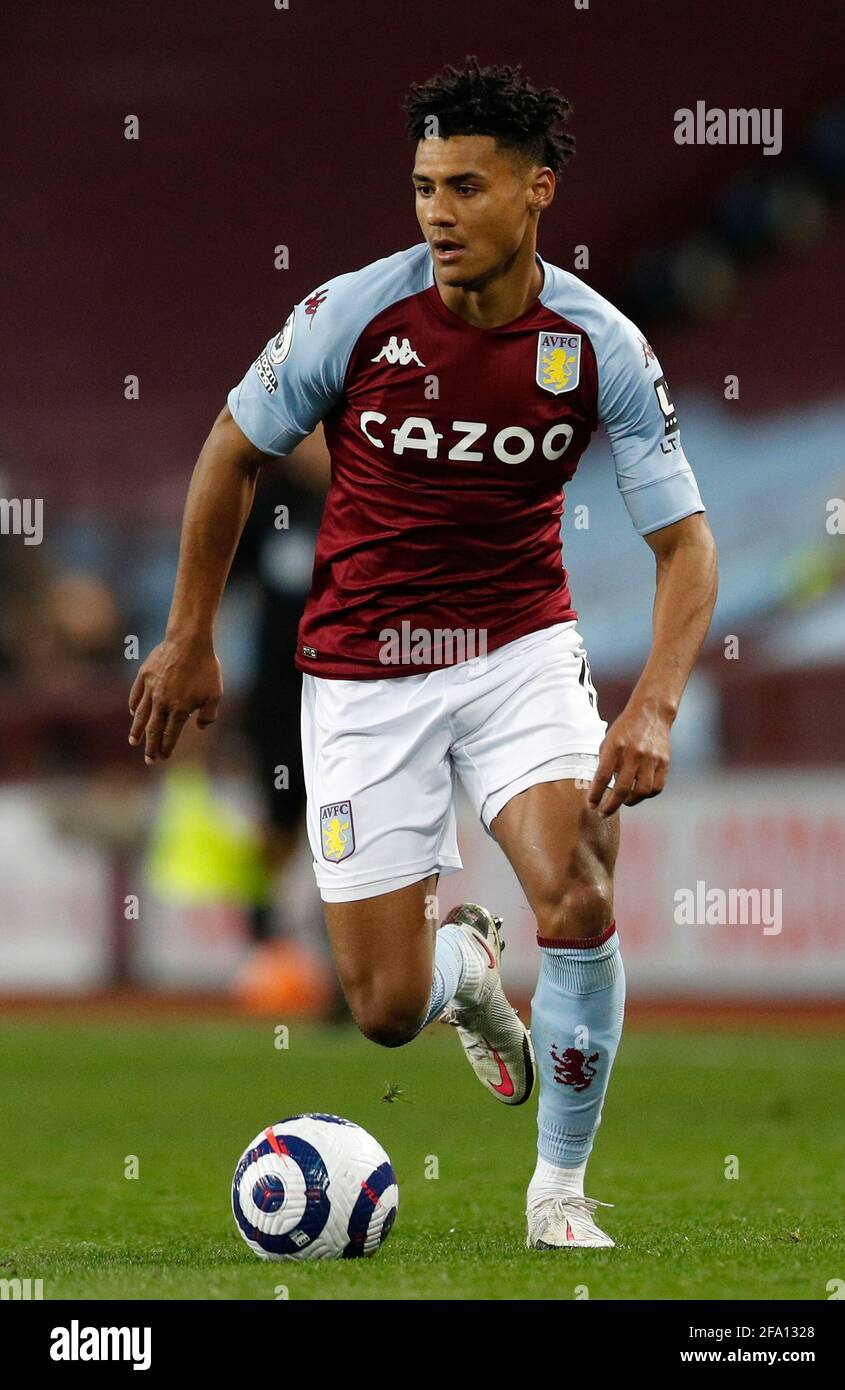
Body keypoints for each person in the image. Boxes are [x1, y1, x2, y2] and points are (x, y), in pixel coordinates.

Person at [129, 56, 718, 1250]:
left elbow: (687, 544)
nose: (438, 213)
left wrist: (650, 705)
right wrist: (189, 635)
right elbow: (228, 453)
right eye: (422, 187)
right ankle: (470, 982)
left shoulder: (595, 343)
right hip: (359, 668)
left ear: (537, 191)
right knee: (388, 1008)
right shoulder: (354, 313)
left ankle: (558, 1191)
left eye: (465, 186)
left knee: (578, 887)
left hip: (516, 649)